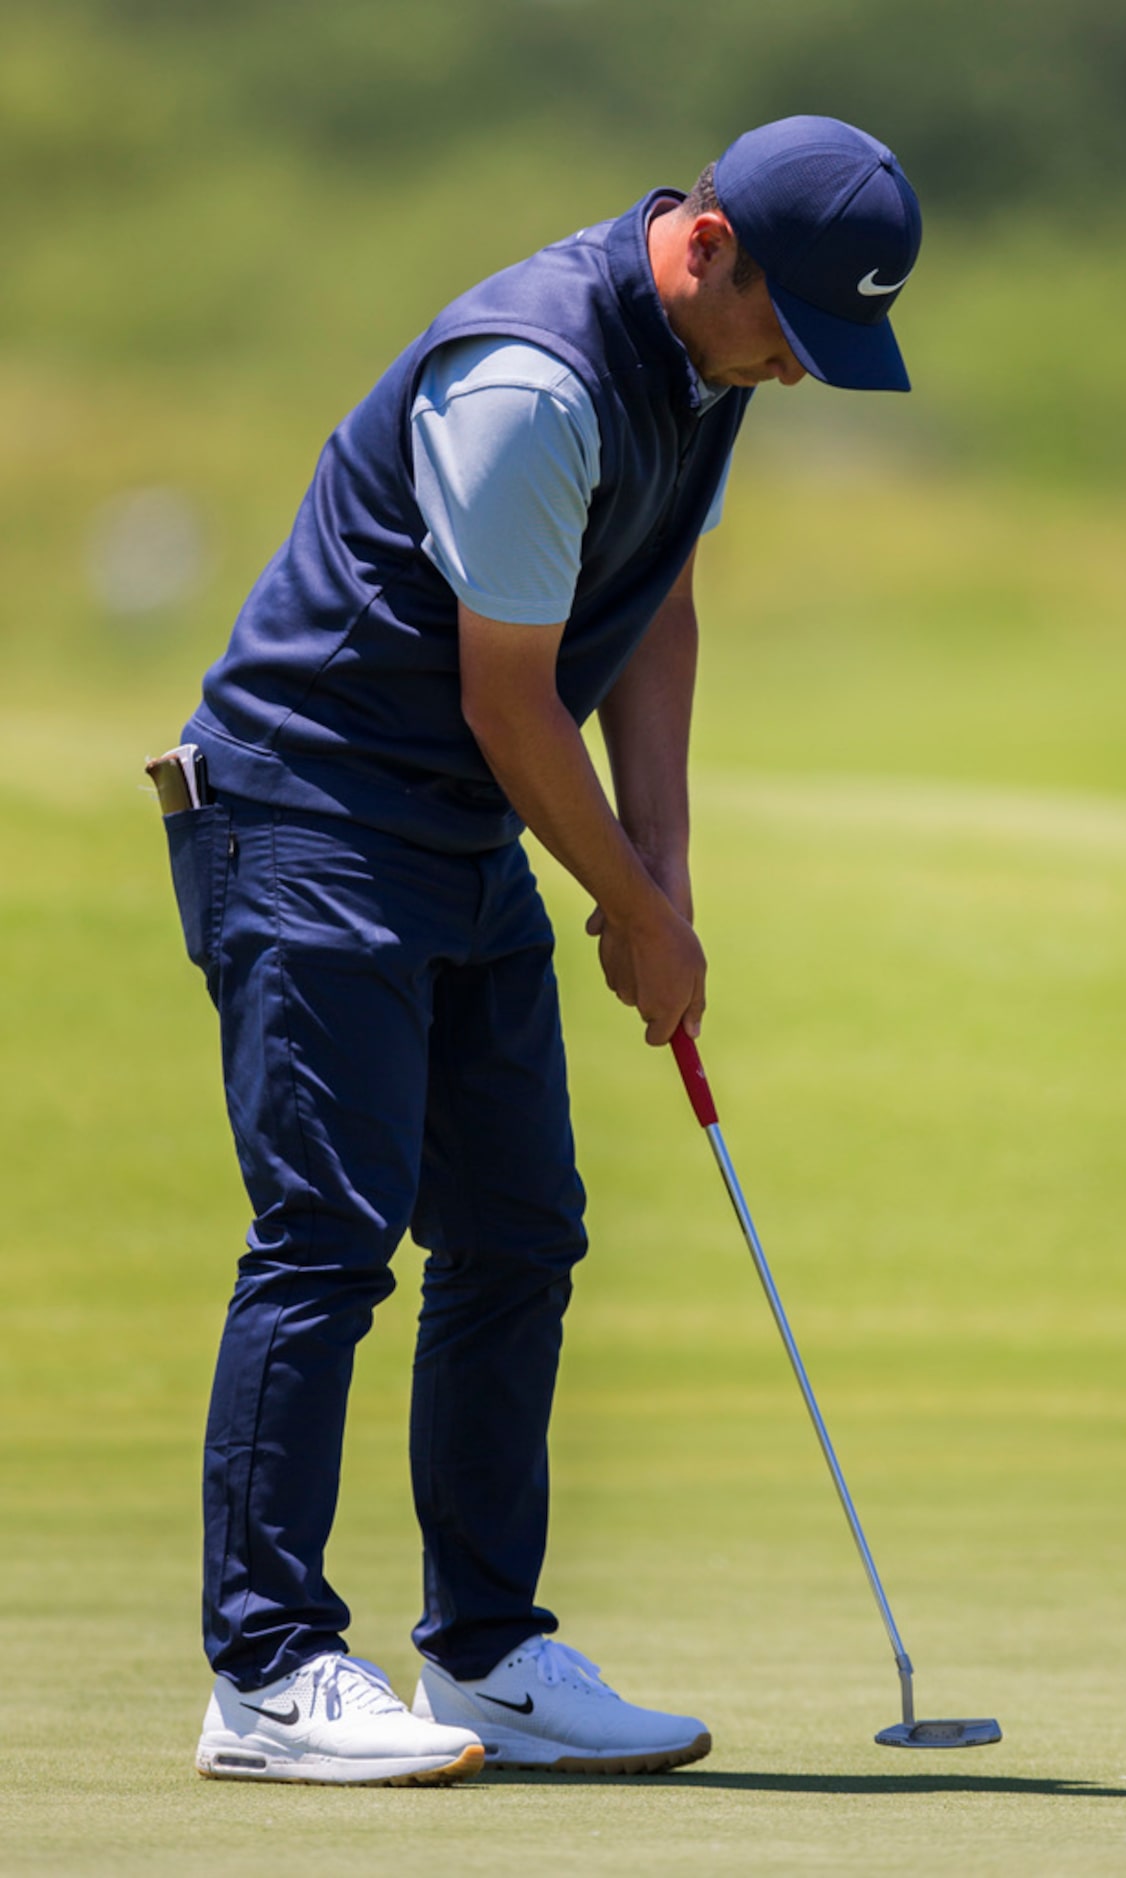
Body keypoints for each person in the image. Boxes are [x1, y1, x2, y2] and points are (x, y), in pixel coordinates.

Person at [159, 115, 921, 1787]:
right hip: (308, 807)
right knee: (328, 1236)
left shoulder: (703, 367)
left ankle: (487, 1651)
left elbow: (651, 601)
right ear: (705, 246)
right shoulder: (532, 380)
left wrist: (666, 867)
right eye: (795, 325)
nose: (801, 367)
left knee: (519, 1234)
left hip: (451, 830)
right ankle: (268, 1670)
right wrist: (636, 921)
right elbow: (509, 695)